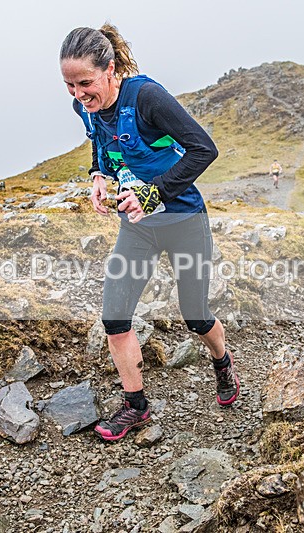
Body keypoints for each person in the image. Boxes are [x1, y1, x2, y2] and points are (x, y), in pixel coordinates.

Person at [59, 24, 240, 442]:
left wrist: (153, 193)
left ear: (110, 69)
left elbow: (204, 149)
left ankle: (222, 361)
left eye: (85, 83)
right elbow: (99, 138)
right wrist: (98, 174)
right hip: (138, 229)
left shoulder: (146, 97)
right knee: (114, 318)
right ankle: (136, 406)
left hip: (184, 222)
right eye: (69, 85)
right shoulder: (85, 106)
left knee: (195, 316)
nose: (78, 94)